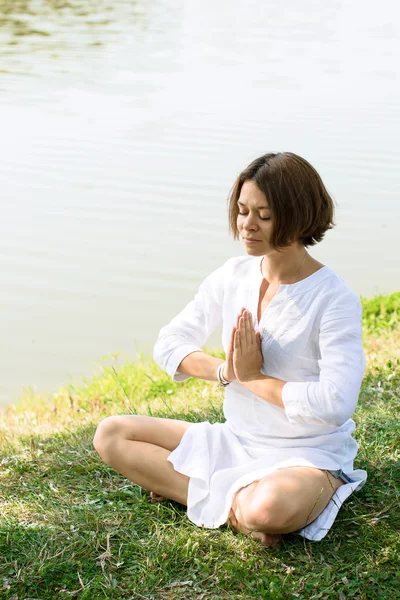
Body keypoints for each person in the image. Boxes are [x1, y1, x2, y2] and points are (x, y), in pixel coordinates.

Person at [93, 152, 367, 547]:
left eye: (264, 215)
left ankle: (217, 501)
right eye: (241, 211)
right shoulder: (232, 275)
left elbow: (335, 403)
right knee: (111, 434)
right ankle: (232, 506)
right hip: (235, 441)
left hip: (306, 454)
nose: (246, 225)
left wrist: (255, 379)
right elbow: (169, 343)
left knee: (266, 509)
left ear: (298, 217)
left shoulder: (334, 298)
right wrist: (226, 372)